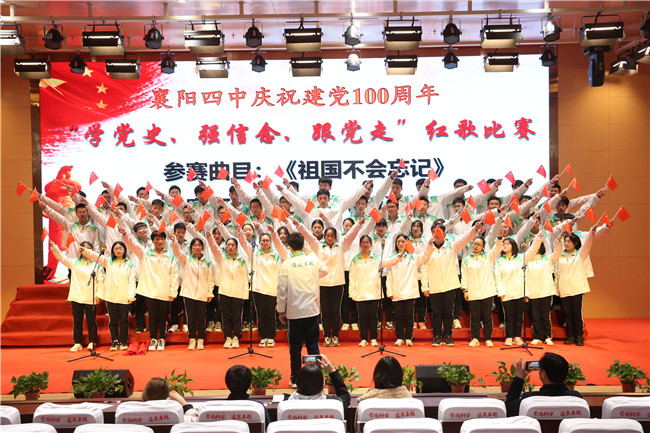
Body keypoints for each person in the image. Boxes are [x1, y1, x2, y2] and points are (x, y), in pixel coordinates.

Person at [277, 232, 328, 387]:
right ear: (304, 245)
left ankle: (295, 378)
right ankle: (316, 377)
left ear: (289, 247)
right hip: (312, 310)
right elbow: (325, 270)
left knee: (295, 348)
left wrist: (280, 310)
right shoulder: (313, 260)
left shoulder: (286, 264)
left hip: (294, 311)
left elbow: (281, 290)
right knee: (313, 346)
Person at [120, 227, 178, 351]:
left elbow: (174, 274)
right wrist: (125, 233)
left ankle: (162, 338)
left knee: (163, 317)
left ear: (165, 240)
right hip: (150, 290)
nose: (160, 241)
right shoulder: (146, 253)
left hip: (164, 291)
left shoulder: (170, 256)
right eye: (157, 239)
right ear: (152, 241)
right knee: (152, 316)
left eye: (162, 239)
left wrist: (173, 291)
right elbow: (133, 245)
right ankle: (153, 338)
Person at [81, 241, 136, 351]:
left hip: (124, 296)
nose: (118, 251)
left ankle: (123, 342)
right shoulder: (108, 261)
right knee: (113, 321)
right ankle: (114, 341)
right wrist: (85, 250)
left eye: (120, 248)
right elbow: (95, 256)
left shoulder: (129, 264)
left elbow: (132, 280)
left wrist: (131, 295)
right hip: (111, 296)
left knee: (124, 320)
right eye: (116, 249)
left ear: (124, 250)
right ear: (113, 251)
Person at [49, 240, 102, 352]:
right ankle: (77, 343)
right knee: (77, 321)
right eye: (84, 248)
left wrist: (99, 295)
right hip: (77, 296)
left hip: (91, 296)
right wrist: (54, 247)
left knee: (91, 321)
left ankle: (92, 341)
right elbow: (61, 257)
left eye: (89, 248)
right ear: (80, 250)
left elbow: (100, 281)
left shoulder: (97, 265)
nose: (87, 250)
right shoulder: (74, 263)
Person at [385, 234, 434, 346]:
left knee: (409, 316)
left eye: (403, 241)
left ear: (407, 243)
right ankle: (400, 337)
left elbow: (425, 257)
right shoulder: (392, 258)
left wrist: (429, 245)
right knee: (398, 316)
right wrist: (390, 291)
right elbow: (389, 276)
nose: (400, 243)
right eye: (398, 241)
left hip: (409, 291)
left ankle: (408, 337)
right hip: (397, 290)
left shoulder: (413, 257)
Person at [494, 236, 541, 346]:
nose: (504, 245)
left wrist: (538, 238)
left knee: (519, 317)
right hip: (506, 293)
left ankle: (517, 337)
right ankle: (509, 337)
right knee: (508, 317)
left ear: (513, 246)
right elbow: (497, 277)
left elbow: (533, 250)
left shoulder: (521, 258)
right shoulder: (499, 261)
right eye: (503, 244)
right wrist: (500, 292)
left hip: (520, 292)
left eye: (507, 244)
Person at [170, 235, 213, 350]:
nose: (197, 247)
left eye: (199, 245)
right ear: (191, 248)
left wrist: (210, 293)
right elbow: (177, 252)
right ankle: (192, 339)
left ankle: (201, 339)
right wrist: (174, 241)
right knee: (191, 318)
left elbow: (210, 279)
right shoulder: (186, 259)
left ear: (202, 247)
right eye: (195, 245)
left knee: (201, 318)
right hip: (188, 293)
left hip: (202, 293)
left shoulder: (208, 262)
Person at [505, 353, 582, 417]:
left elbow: (509, 408)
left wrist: (519, 378)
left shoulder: (528, 400)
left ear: (543, 373)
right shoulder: (576, 398)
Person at [556, 227, 597, 346]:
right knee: (567, 314)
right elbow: (557, 273)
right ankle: (570, 336)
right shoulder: (560, 256)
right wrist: (556, 288)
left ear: (575, 243)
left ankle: (579, 336)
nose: (566, 244)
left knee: (576, 314)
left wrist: (592, 232)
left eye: (569, 242)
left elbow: (588, 245)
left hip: (577, 288)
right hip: (564, 288)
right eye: (565, 241)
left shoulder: (580, 255)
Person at [207, 233, 249, 349]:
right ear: (226, 247)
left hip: (238, 293)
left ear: (236, 247)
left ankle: (236, 337)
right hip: (224, 292)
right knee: (225, 316)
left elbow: (245, 278)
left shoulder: (242, 261)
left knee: (237, 317)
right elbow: (214, 248)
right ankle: (228, 337)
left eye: (232, 245)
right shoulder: (222, 259)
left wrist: (245, 295)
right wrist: (209, 237)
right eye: (228, 245)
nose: (230, 247)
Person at [461, 236, 504, 347]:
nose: (476, 246)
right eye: (474, 244)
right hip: (473, 292)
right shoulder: (466, 260)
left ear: (483, 246)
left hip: (487, 291)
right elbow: (464, 276)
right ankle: (475, 338)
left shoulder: (488, 256)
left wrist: (499, 237)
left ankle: (488, 338)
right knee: (475, 317)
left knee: (487, 317)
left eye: (479, 244)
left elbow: (497, 248)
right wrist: (465, 290)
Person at [285, 354, 351, 410]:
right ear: (322, 384)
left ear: (298, 383)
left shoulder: (285, 403)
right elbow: (345, 397)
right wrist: (332, 371)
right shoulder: (334, 404)